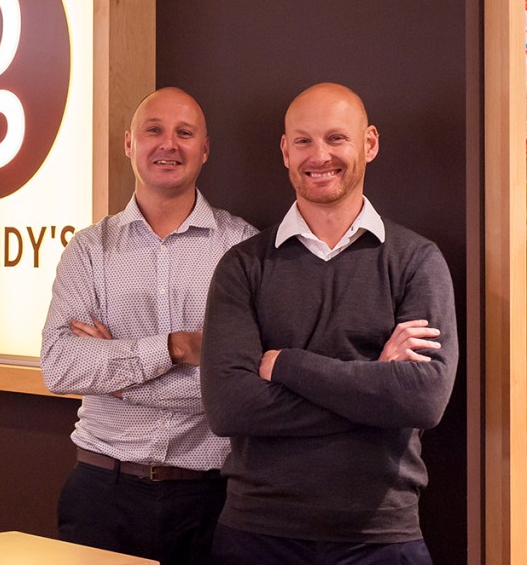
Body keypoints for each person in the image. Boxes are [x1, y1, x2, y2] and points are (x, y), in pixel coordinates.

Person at [199, 82, 458, 564]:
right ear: (285, 151)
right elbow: (229, 407)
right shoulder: (243, 266)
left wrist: (288, 366)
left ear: (369, 143)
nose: (319, 156)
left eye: (337, 138)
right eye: (304, 141)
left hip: (382, 537)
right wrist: (376, 386)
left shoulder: (416, 261)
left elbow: (423, 399)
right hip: (257, 535)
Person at [41, 87, 257, 564]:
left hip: (210, 501)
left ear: (205, 148)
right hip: (102, 494)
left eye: (185, 133)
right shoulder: (89, 250)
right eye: (153, 130)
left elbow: (240, 391)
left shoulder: (242, 249)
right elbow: (60, 366)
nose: (168, 144)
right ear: (129, 143)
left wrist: (117, 380)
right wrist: (177, 348)